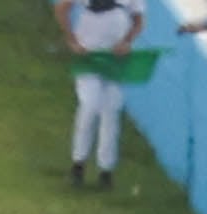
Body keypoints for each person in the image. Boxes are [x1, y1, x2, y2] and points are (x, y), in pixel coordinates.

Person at [59, 0, 147, 189]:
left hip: (114, 59)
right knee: (90, 105)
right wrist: (72, 41)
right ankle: (78, 162)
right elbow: (63, 8)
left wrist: (126, 42)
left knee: (111, 111)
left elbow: (139, 20)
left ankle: (106, 170)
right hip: (88, 56)